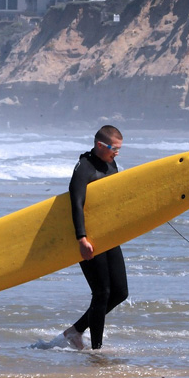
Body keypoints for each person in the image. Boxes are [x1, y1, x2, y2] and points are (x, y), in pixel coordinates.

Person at [62, 125, 129, 351]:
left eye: (119, 149)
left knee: (120, 292)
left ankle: (75, 331)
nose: (117, 153)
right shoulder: (84, 167)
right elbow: (76, 203)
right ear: (100, 145)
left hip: (108, 235)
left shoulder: (111, 163)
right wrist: (81, 238)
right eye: (114, 148)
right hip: (89, 237)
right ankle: (96, 350)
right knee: (102, 292)